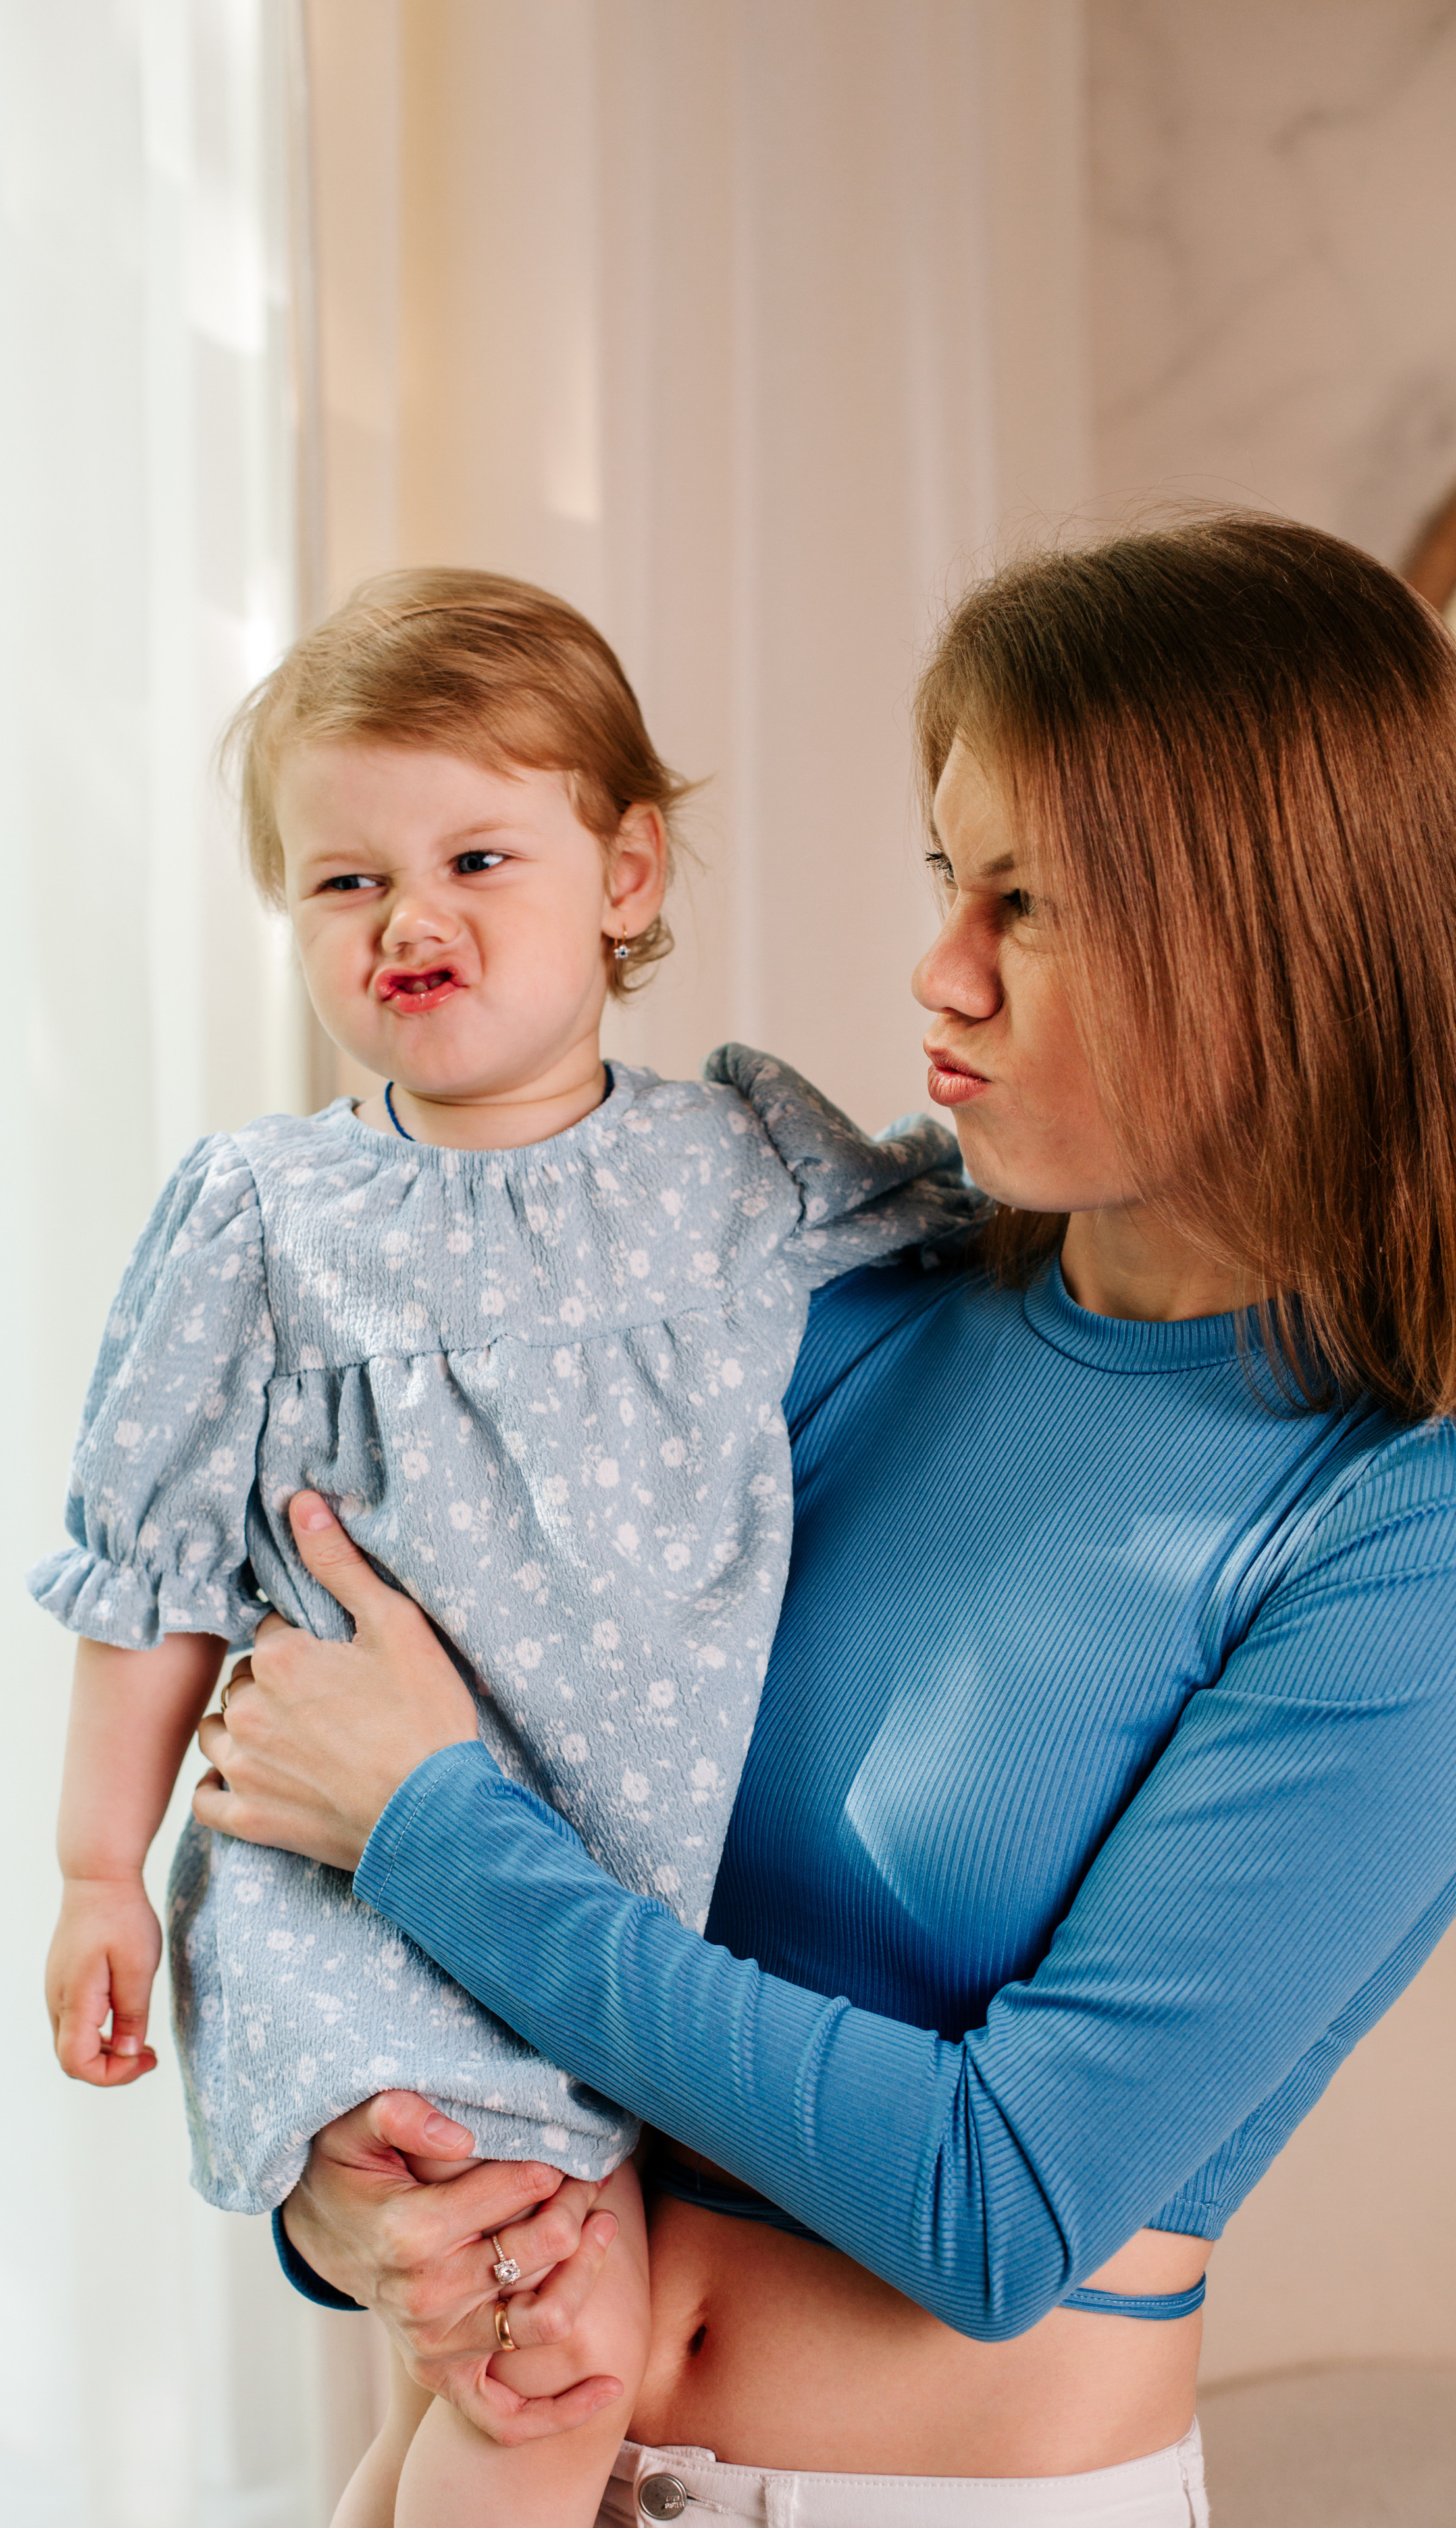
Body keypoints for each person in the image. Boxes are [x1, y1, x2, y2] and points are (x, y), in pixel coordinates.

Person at [194, 516, 1456, 2528]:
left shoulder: (1399, 1534)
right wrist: (357, 2200)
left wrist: (436, 1833)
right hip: (527, 2457)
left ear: (1271, 944)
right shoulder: (824, 1304)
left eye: (1025, 906)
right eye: (950, 879)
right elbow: (417, 1768)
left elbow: (996, 2205)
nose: (935, 970)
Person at [31, 568, 976, 2528]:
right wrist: (95, 1869)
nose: (412, 919)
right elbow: (152, 1577)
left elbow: (987, 1248)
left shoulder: (739, 1165)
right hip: (353, 1905)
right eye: (345, 881)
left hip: (596, 1900)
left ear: (627, 875)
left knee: (460, 2400)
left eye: (476, 855)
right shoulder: (269, 1217)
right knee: (551, 2386)